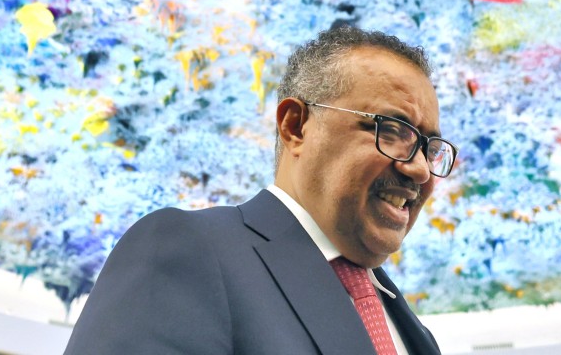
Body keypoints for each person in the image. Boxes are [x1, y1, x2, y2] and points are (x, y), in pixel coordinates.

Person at [63, 27, 457, 354]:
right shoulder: (187, 251)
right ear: (296, 126)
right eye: (392, 131)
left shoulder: (416, 334)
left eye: (430, 148)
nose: (421, 170)